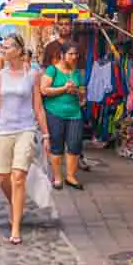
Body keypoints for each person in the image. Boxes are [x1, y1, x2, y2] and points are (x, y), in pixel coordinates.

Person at [0, 33, 50, 245]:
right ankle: (15, 204)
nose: (3, 50)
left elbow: (38, 107)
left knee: (18, 177)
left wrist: (46, 134)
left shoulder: (33, 74)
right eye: (3, 47)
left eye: (8, 47)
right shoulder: (0, 76)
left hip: (26, 130)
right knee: (3, 178)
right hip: (3, 131)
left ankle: (16, 227)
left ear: (19, 51)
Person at [42, 16, 92, 172]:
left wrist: (81, 88)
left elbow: (82, 70)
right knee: (56, 136)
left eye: (67, 24)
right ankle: (56, 167)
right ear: (57, 27)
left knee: (75, 137)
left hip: (73, 97)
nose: (64, 27)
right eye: (61, 24)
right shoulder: (50, 47)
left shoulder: (78, 47)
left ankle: (76, 160)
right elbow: (45, 70)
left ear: (71, 26)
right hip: (54, 93)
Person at [41, 42, 85, 190]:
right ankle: (58, 177)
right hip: (54, 112)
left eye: (76, 54)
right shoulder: (52, 70)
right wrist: (64, 89)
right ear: (62, 55)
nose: (74, 57)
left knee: (75, 144)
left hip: (74, 113)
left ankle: (71, 176)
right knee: (57, 145)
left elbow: (84, 95)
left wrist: (77, 92)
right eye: (70, 54)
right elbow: (44, 90)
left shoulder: (77, 73)